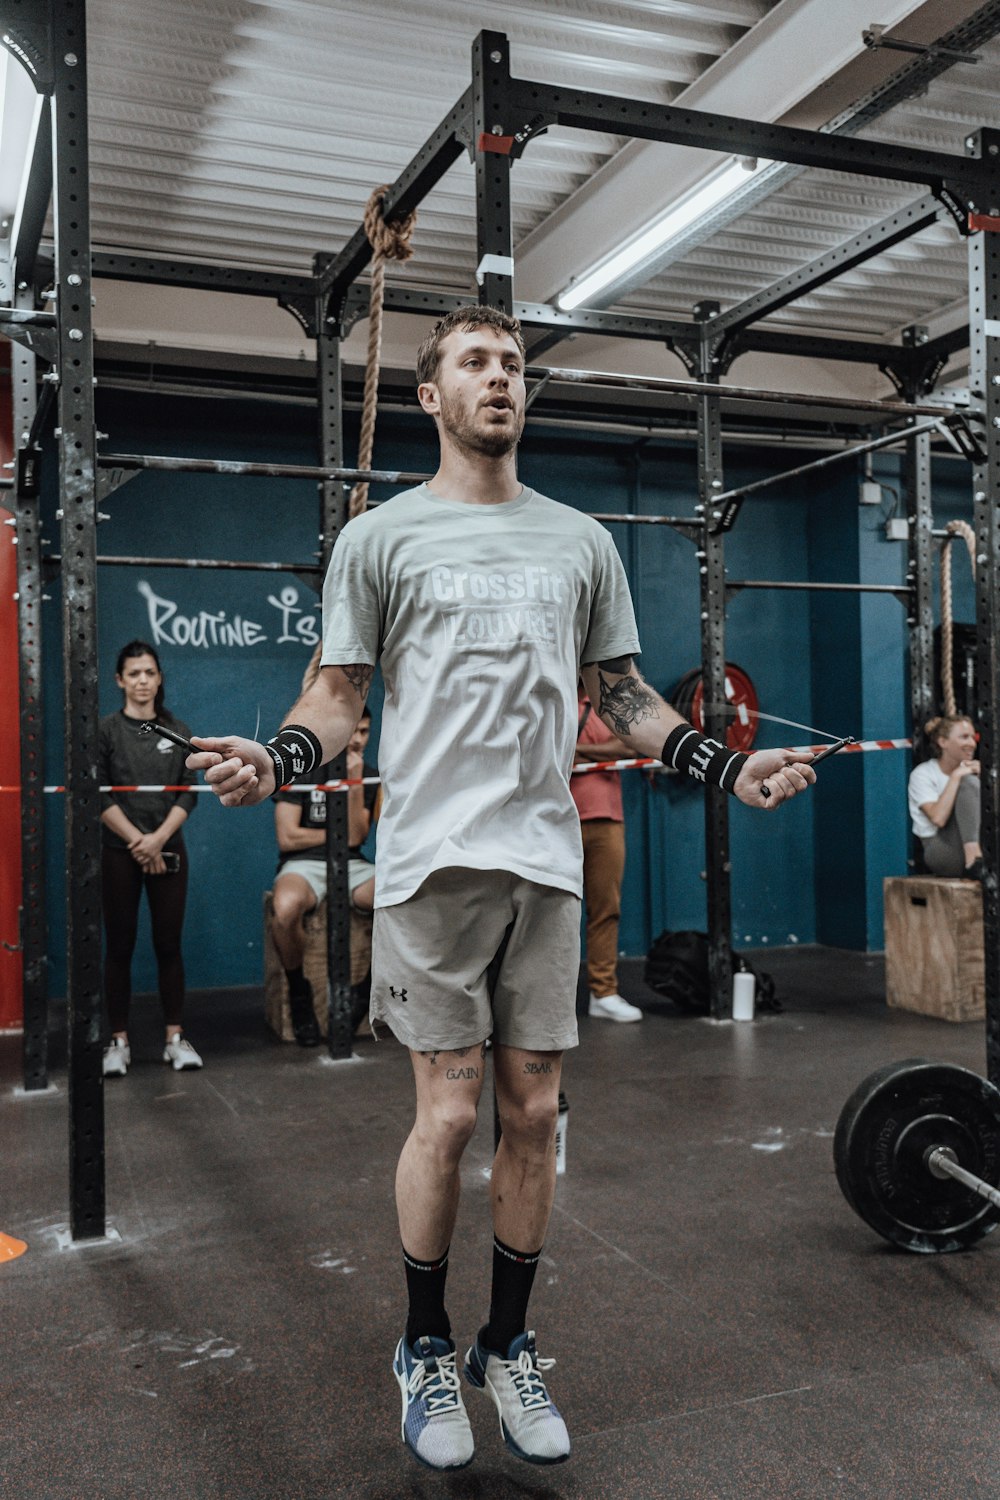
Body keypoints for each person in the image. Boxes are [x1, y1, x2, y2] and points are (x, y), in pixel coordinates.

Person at [187, 305, 816, 1473]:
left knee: (533, 1115)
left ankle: (506, 1343)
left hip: (545, 860)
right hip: (428, 866)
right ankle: (424, 1346)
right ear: (430, 396)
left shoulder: (579, 541)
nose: (500, 378)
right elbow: (335, 700)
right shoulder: (379, 540)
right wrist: (271, 762)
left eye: (514, 364)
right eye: (476, 363)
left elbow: (622, 700)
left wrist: (728, 766)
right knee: (451, 1114)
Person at [100, 641, 202, 1076]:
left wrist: (157, 839)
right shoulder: (105, 731)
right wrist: (138, 843)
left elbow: (187, 795)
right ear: (120, 680)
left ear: (159, 678)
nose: (143, 680)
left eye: (149, 673)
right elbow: (98, 793)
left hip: (167, 848)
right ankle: (118, 1041)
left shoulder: (176, 730)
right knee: (119, 946)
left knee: (168, 945)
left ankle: (174, 1039)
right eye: (134, 673)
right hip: (119, 852)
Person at [271, 707, 378, 1046]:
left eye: (364, 732)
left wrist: (356, 779)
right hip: (304, 863)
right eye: (352, 731)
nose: (357, 739)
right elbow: (288, 836)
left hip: (353, 864)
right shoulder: (303, 772)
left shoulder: (371, 775)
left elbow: (357, 837)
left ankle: (367, 987)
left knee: (399, 899)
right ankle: (299, 992)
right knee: (286, 909)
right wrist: (337, 833)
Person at [571, 682, 643, 1022]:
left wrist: (579, 750)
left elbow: (628, 747)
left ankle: (603, 993)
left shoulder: (608, 704)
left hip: (608, 819)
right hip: (558, 820)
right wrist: (603, 751)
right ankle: (543, 1000)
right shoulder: (550, 695)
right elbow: (547, 750)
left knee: (606, 909)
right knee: (544, 915)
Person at [908, 714, 982, 879]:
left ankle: (977, 861)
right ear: (943, 742)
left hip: (974, 842)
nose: (972, 743)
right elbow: (938, 818)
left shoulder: (973, 771)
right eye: (964, 737)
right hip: (940, 850)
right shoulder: (923, 774)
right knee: (968, 782)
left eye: (973, 737)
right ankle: (973, 861)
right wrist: (956, 776)